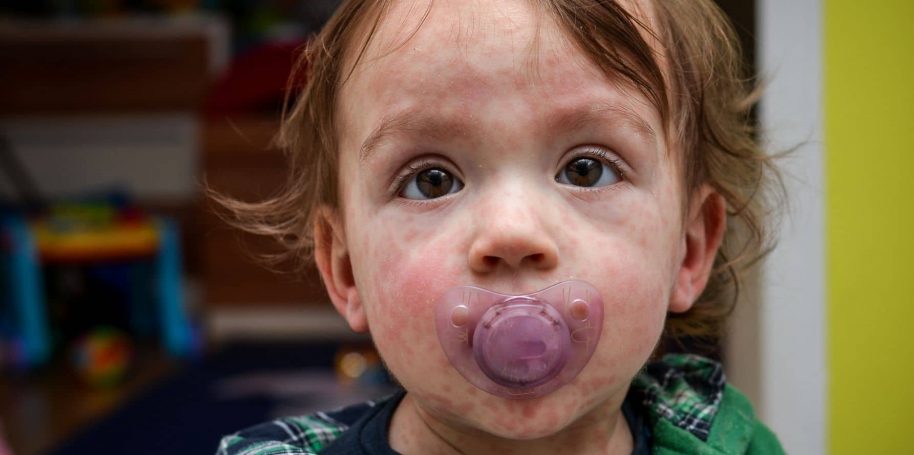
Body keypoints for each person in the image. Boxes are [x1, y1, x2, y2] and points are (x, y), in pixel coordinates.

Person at [215, 0, 785, 453]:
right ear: (346, 270)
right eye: (432, 181)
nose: (511, 233)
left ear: (688, 250)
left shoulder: (725, 441)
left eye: (586, 170)